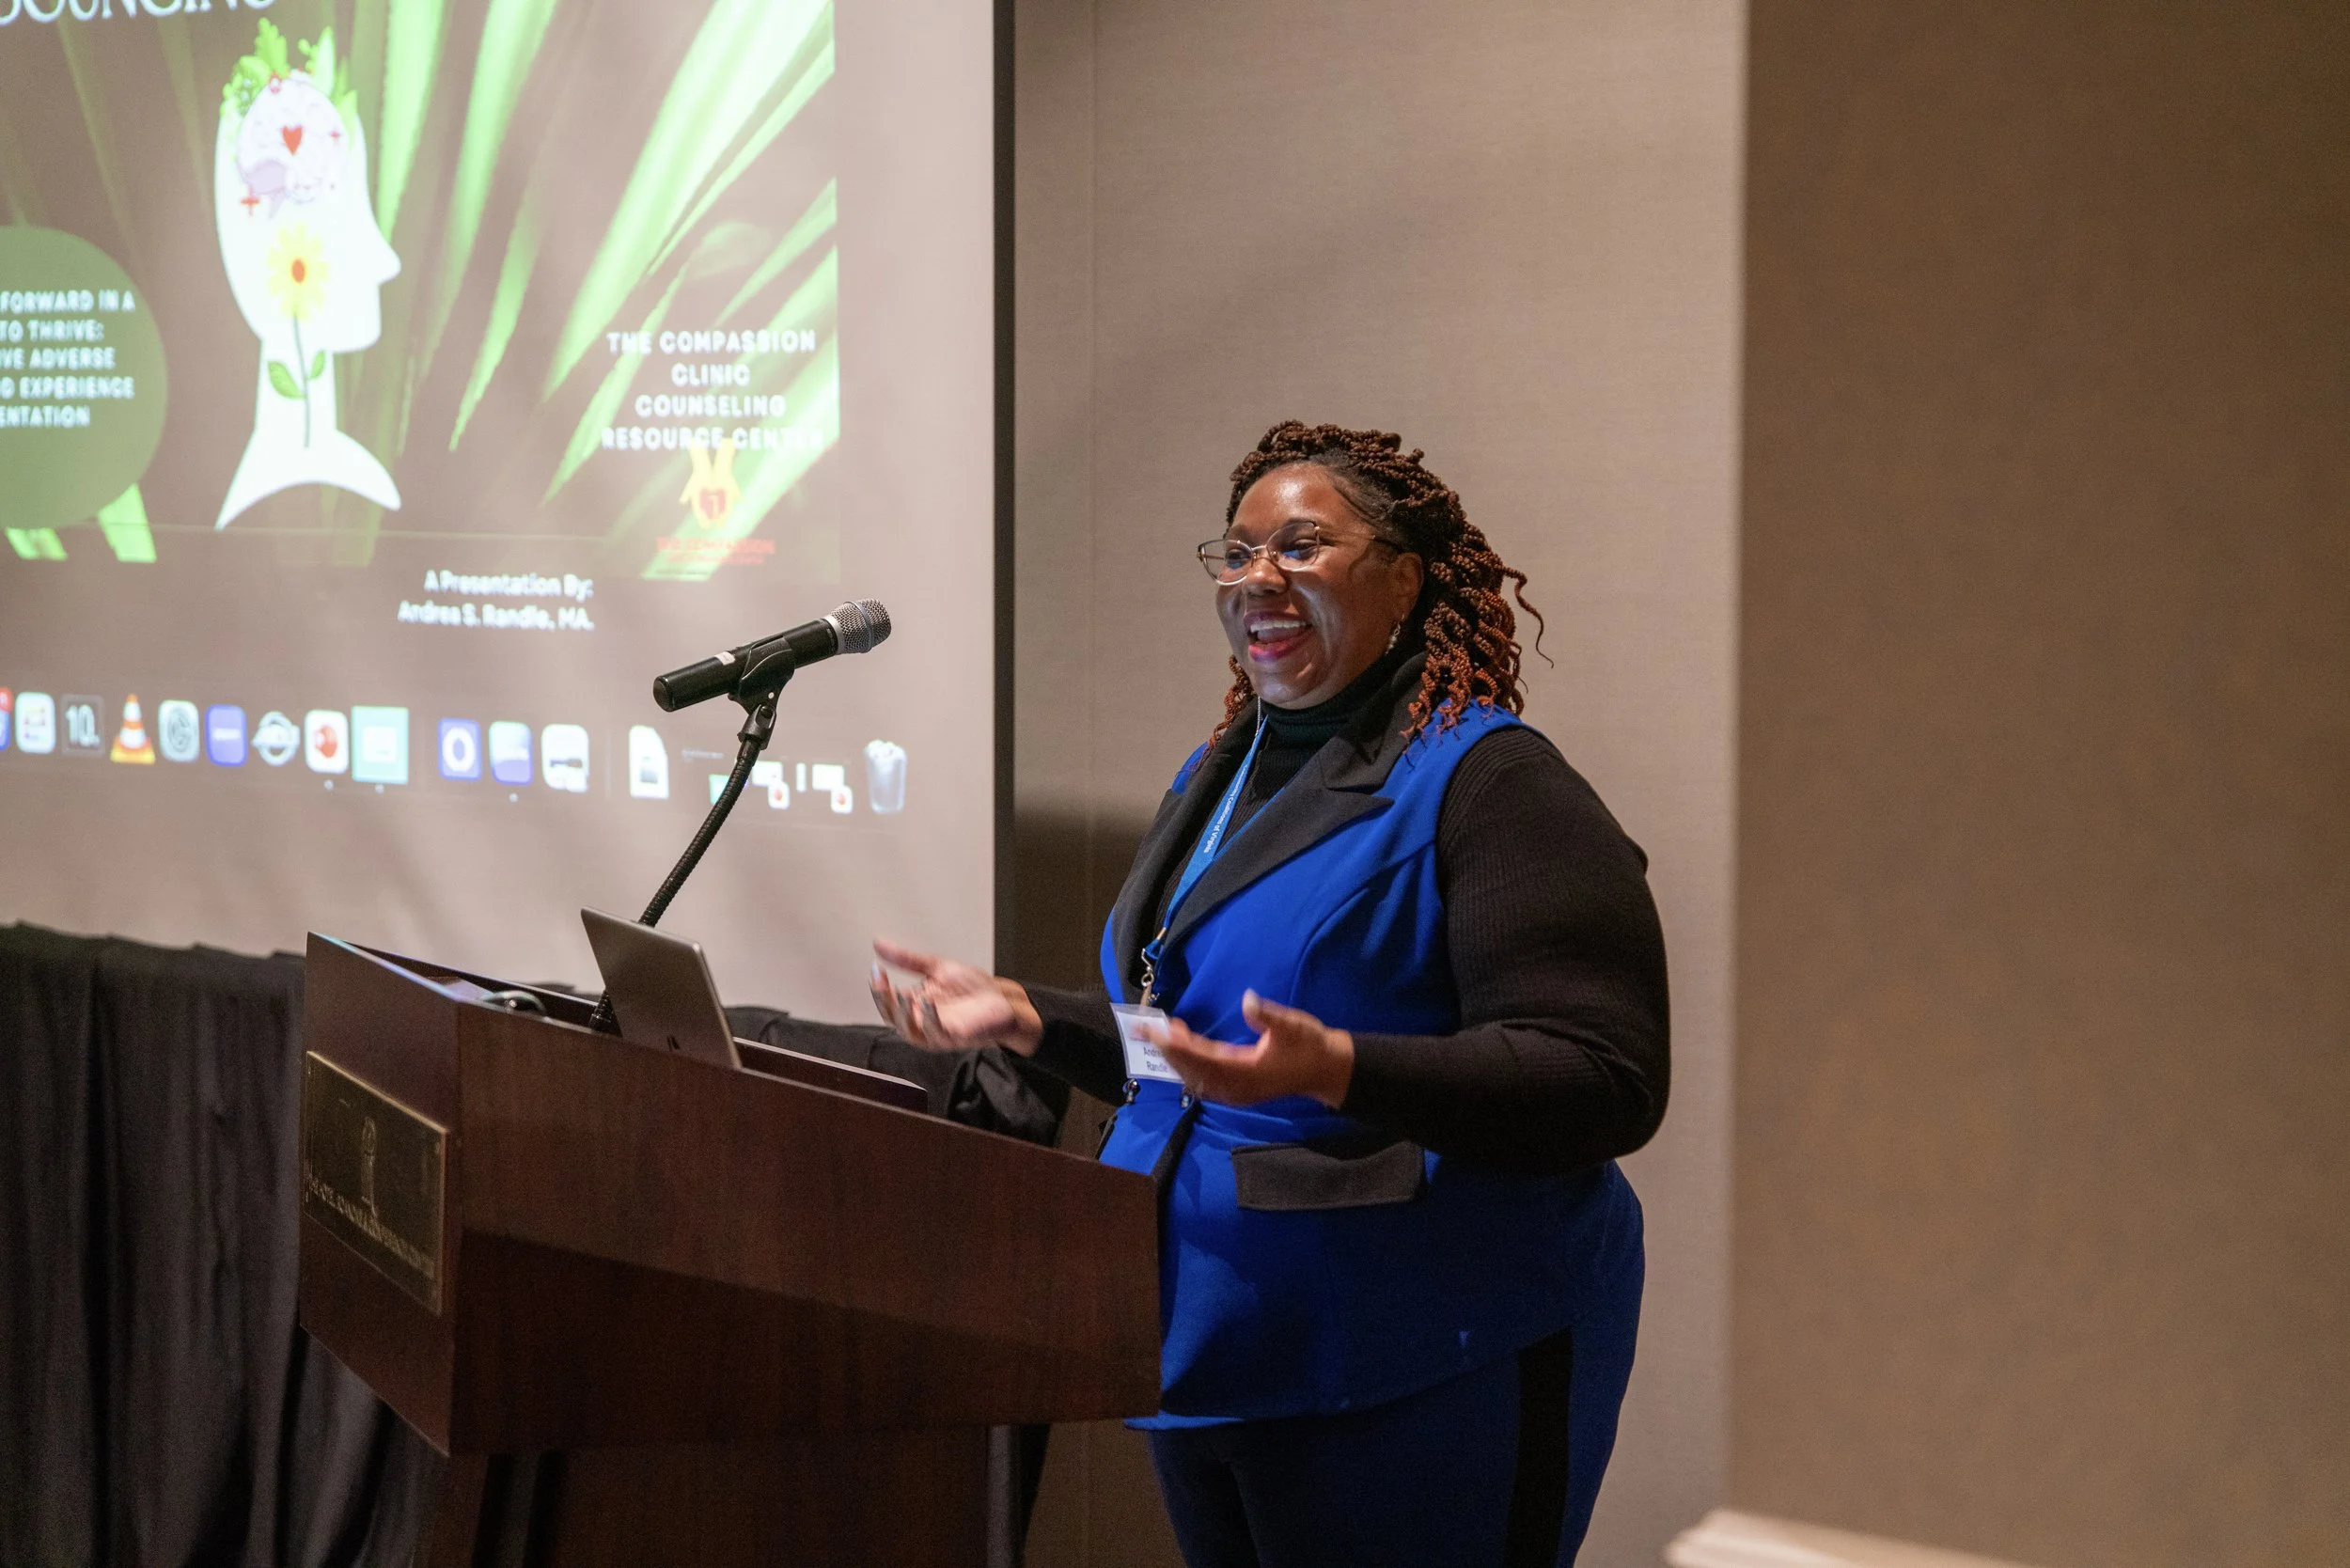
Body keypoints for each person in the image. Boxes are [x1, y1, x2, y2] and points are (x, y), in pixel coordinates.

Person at [870, 421, 1668, 1568]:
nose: (1258, 580)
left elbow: (1602, 1079)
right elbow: (1214, 1055)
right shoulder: (1228, 763)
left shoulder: (1494, 784)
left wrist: (1343, 1067)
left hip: (1426, 1348)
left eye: (1301, 548)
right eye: (1236, 554)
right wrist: (1040, 1022)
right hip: (1214, 1338)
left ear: (1404, 579)